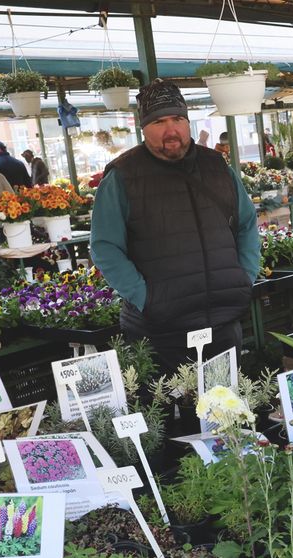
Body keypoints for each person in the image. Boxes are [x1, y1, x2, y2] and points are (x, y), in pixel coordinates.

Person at [89, 79, 261, 370]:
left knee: (228, 409)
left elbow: (246, 224)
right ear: (143, 127)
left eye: (178, 119)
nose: (171, 131)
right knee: (167, 411)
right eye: (159, 121)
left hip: (223, 321)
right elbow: (105, 247)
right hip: (160, 331)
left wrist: (244, 277)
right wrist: (146, 298)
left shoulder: (216, 166)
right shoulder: (123, 176)